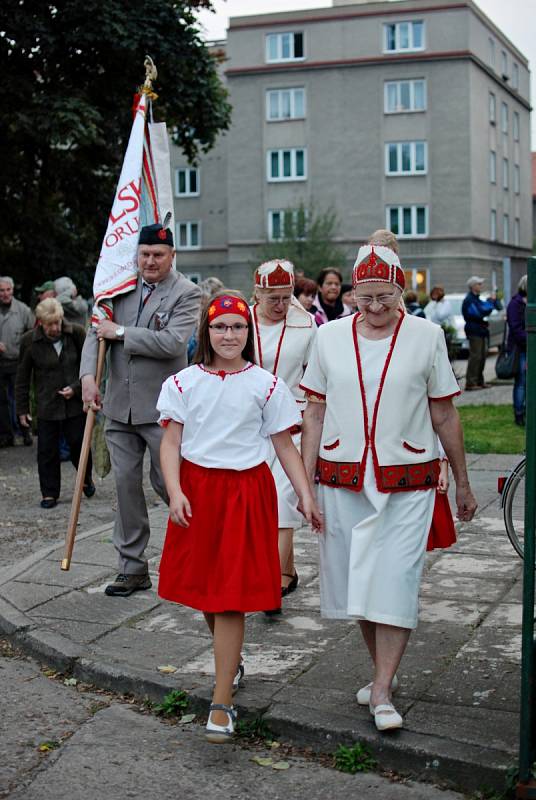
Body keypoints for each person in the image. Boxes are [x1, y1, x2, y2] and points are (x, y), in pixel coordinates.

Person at [300, 243, 477, 732]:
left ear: (402, 290)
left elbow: (444, 411)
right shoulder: (328, 337)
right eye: (366, 297)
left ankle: (381, 689)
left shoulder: (426, 336)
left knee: (396, 581)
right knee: (358, 584)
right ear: (353, 292)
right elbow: (312, 412)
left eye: (386, 297)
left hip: (409, 480)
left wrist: (461, 481)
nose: (375, 308)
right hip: (342, 477)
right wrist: (305, 485)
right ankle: (383, 671)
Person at [156, 291, 323, 743]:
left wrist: (305, 496)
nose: (229, 335)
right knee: (206, 594)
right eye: (220, 327)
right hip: (197, 492)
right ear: (206, 333)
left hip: (245, 494)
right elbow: (171, 444)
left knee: (229, 596)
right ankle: (232, 661)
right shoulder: (183, 383)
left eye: (237, 327)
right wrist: (174, 492)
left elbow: (285, 446)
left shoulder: (266, 385)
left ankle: (222, 700)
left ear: (247, 333)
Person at [80, 223, 201, 597]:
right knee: (124, 486)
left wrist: (120, 333)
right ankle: (132, 568)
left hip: (164, 411)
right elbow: (94, 332)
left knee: (170, 484)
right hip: (119, 407)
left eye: (158, 255)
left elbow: (172, 342)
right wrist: (87, 376)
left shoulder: (187, 292)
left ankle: (203, 549)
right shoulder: (119, 287)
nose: (150, 261)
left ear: (172, 256)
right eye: (145, 254)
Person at [251, 260, 317, 611]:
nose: (280, 305)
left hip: (291, 426)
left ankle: (271, 585)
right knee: (258, 506)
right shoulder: (241, 322)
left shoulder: (306, 324)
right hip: (249, 428)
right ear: (257, 292)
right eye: (272, 298)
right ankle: (287, 573)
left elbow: (315, 377)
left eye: (286, 297)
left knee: (281, 504)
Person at [15, 299, 94, 508]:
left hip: (75, 403)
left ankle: (85, 479)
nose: (55, 328)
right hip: (47, 404)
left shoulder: (76, 333)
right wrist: (22, 409)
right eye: (50, 324)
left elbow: (90, 365)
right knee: (47, 451)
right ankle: (49, 493)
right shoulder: (30, 341)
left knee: (79, 444)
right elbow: (22, 378)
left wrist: (76, 388)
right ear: (40, 322)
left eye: (57, 322)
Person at [0, 276, 34, 447]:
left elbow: (33, 333)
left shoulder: (23, 310)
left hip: (18, 362)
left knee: (19, 397)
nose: (5, 294)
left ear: (12, 290)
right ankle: (6, 435)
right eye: (1, 291)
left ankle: (25, 431)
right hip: (1, 363)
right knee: (2, 401)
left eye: (8, 290)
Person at [462, 276, 502, 391]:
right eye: (479, 284)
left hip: (481, 331)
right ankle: (471, 382)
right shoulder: (469, 300)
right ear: (473, 286)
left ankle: (479, 381)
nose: (481, 286)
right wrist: (490, 302)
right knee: (476, 356)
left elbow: (488, 308)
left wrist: (492, 301)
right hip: (475, 331)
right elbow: (481, 311)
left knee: (483, 356)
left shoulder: (477, 298)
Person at [506, 275, 527, 426]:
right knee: (521, 382)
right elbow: (516, 328)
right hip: (520, 350)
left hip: (528, 348)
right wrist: (530, 341)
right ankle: (519, 414)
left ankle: (526, 410)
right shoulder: (515, 304)